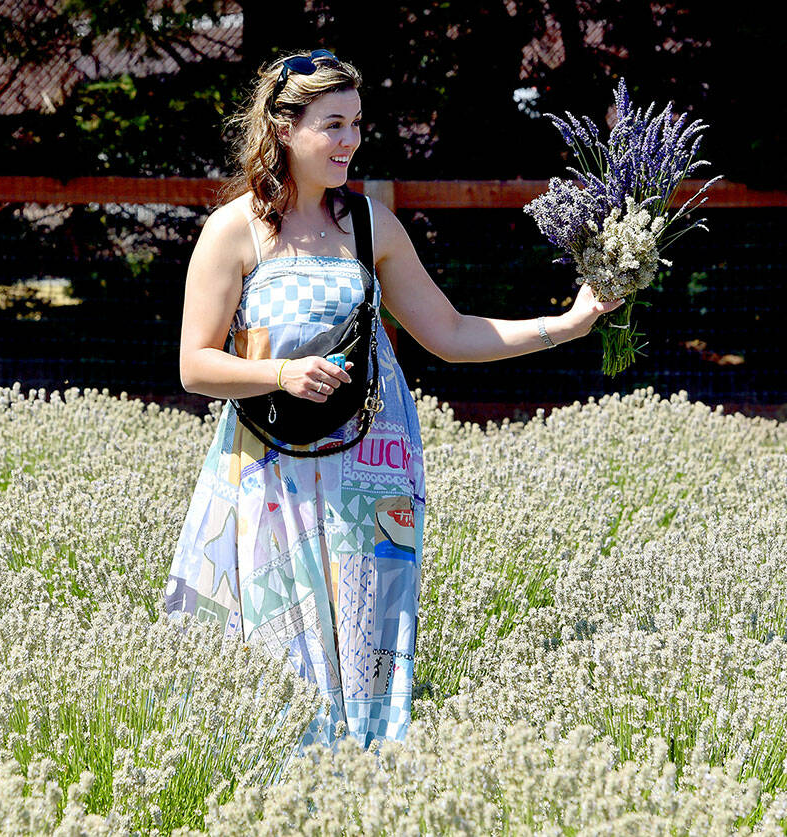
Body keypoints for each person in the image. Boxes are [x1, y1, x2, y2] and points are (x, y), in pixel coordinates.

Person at [165, 50, 621, 749]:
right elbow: (195, 365)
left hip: (369, 477)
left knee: (369, 652)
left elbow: (450, 331)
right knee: (280, 653)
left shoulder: (371, 225)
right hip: (271, 478)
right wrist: (282, 375)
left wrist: (568, 323)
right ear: (285, 129)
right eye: (333, 124)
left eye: (356, 124)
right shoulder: (237, 230)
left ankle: (368, 794)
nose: (350, 140)